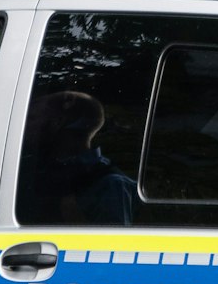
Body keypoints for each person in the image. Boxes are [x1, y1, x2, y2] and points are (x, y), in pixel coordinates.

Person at [25, 89, 136, 225]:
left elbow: (114, 244)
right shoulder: (40, 171)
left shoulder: (110, 185)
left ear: (57, 123)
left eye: (32, 118)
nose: (25, 126)